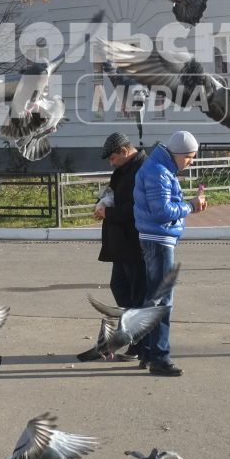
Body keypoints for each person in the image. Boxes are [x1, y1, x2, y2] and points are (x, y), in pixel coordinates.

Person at [131, 129, 206, 377]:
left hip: (154, 239)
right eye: (190, 157)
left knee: (154, 299)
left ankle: (147, 351)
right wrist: (191, 206)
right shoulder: (159, 172)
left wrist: (189, 205)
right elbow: (162, 212)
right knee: (163, 301)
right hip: (158, 240)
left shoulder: (159, 168)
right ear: (178, 153)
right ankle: (159, 358)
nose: (191, 162)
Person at [94, 132, 147, 323]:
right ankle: (132, 331)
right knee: (119, 287)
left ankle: (139, 339)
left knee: (137, 294)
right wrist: (102, 204)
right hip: (122, 244)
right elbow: (116, 195)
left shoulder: (142, 169)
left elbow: (137, 207)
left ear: (124, 151)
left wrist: (108, 213)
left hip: (135, 243)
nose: (112, 163)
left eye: (113, 158)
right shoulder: (125, 169)